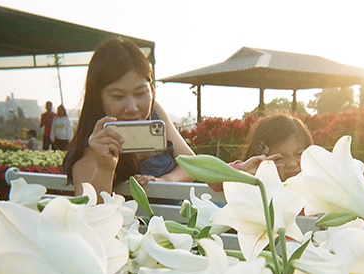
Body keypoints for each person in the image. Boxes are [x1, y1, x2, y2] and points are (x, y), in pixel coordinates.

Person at [63, 39, 195, 196]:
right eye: (118, 96)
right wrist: (105, 167)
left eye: (141, 93)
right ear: (98, 98)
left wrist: (166, 180)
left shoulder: (154, 112)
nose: (132, 107)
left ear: (151, 89)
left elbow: (190, 163)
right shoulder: (93, 148)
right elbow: (90, 213)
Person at [209, 114, 313, 191]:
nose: (292, 164)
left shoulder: (315, 187)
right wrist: (243, 170)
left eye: (299, 154)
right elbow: (210, 177)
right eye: (279, 158)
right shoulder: (255, 188)